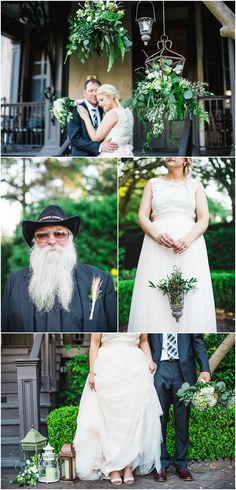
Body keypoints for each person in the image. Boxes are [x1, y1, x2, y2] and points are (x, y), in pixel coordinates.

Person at [127, 157, 217, 332]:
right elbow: (143, 216)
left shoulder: (196, 185)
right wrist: (157, 235)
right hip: (157, 244)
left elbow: (204, 218)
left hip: (190, 245)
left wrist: (189, 239)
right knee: (155, 287)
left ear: (186, 159)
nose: (170, 156)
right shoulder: (152, 184)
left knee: (192, 291)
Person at [2, 205, 117, 332]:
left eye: (59, 234)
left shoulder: (101, 280)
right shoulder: (15, 281)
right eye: (42, 235)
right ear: (35, 241)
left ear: (70, 238)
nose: (52, 241)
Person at [73, 333, 162, 484]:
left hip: (134, 369)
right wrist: (92, 371)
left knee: (131, 419)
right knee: (108, 420)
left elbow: (144, 341)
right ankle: (112, 467)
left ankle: (128, 466)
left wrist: (149, 359)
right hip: (107, 368)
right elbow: (94, 343)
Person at [149, 333, 211, 482]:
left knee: (182, 420)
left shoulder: (187, 316)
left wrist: (204, 368)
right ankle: (161, 464)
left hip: (184, 370)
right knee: (159, 419)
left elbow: (197, 340)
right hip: (159, 368)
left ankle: (181, 464)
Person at [77, 84, 133, 156]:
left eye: (101, 100)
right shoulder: (127, 112)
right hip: (124, 152)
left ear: (111, 97)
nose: (99, 104)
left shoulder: (112, 114)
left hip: (112, 153)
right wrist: (84, 101)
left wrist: (86, 117)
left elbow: (95, 138)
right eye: (98, 101)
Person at [67, 78, 119, 156]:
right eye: (91, 91)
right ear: (85, 93)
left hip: (104, 155)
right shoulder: (75, 110)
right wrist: (100, 146)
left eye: (97, 91)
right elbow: (74, 140)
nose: (94, 94)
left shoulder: (104, 109)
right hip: (82, 157)